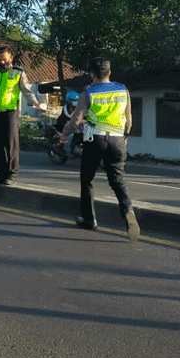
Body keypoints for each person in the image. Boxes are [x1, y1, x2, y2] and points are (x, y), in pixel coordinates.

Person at [60, 57, 140, 242]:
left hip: (95, 139)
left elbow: (76, 119)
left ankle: (89, 219)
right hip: (118, 140)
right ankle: (128, 210)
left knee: (87, 179)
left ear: (92, 74)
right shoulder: (123, 89)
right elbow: (128, 118)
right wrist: (125, 136)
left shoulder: (89, 92)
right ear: (110, 73)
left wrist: (64, 135)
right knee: (118, 180)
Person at [0, 46, 46, 185]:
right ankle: (2, 173)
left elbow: (27, 91)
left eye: (4, 58)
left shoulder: (18, 73)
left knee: (11, 144)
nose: (1, 61)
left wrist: (36, 104)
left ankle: (12, 174)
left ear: (11, 58)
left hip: (9, 113)